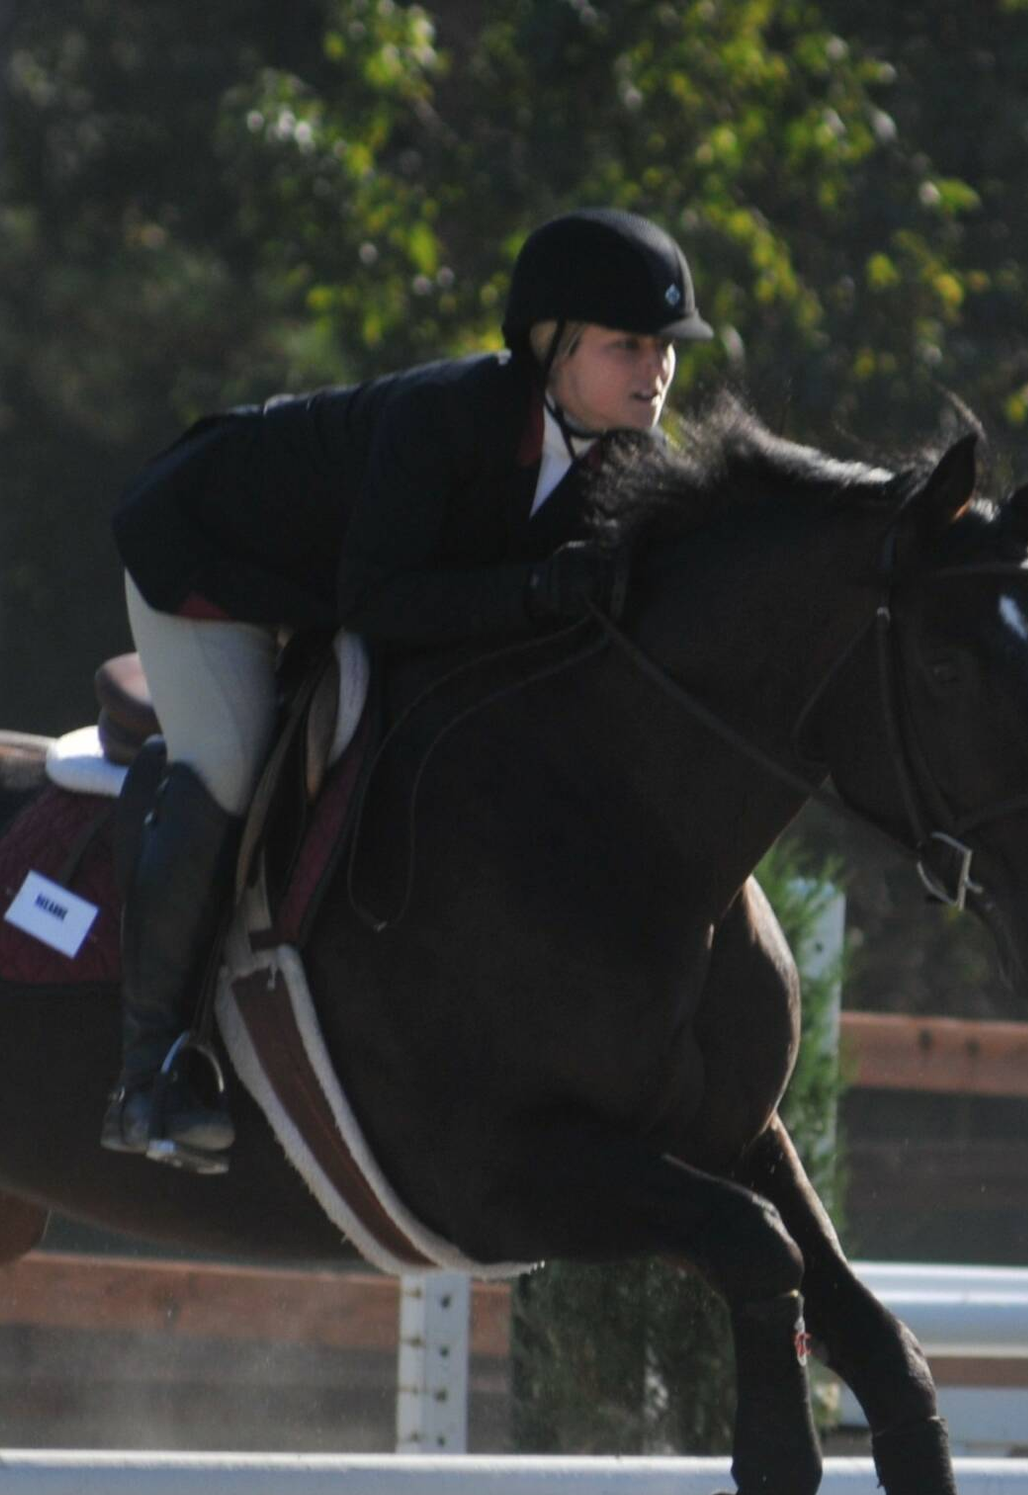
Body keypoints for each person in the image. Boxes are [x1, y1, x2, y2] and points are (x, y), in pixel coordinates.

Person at [103, 207, 713, 1171]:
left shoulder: (638, 459)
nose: (657, 369)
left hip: (334, 581)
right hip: (217, 554)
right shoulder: (449, 419)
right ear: (552, 348)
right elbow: (378, 599)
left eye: (665, 347)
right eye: (626, 344)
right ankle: (151, 1072)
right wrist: (530, 591)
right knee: (228, 759)